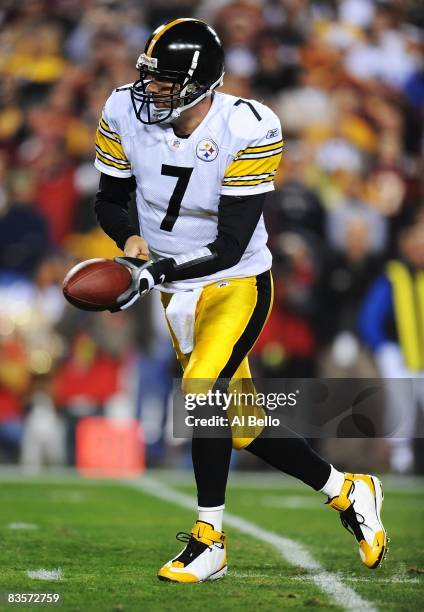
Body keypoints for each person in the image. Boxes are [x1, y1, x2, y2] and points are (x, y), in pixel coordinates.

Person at [94, 18, 387, 583]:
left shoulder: (249, 126)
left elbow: (229, 245)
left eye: (164, 80)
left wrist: (157, 271)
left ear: (199, 83)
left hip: (236, 282)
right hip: (173, 285)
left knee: (201, 394)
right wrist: (131, 243)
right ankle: (347, 490)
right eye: (148, 76)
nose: (149, 89)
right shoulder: (122, 110)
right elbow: (110, 198)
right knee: (243, 424)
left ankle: (209, 541)